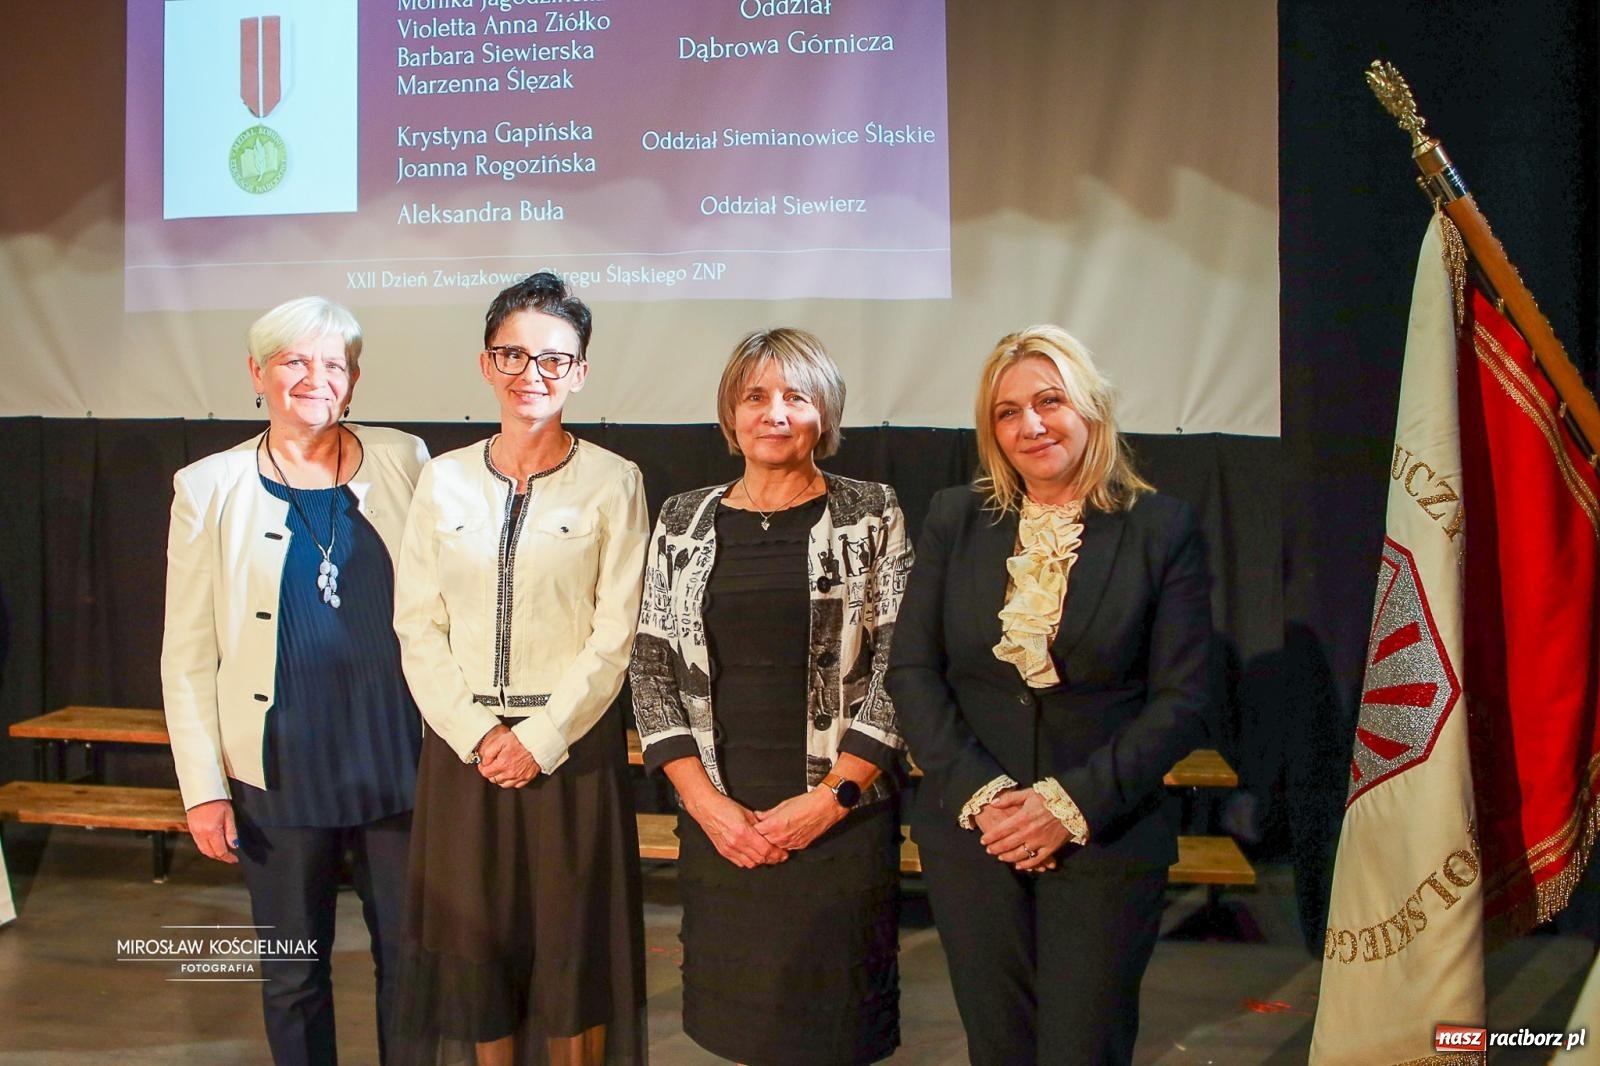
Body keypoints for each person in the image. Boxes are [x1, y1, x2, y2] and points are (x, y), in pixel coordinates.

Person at [886, 325, 1213, 1065]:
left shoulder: (1161, 528)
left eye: (1049, 401)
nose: (1029, 425)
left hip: (1104, 833)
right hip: (975, 833)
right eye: (1007, 412)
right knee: (998, 1045)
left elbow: (1184, 697)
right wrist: (986, 794)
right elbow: (911, 670)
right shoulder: (954, 517)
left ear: (1090, 409)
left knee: (1083, 1049)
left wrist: (1066, 806)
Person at [630, 328, 913, 1066]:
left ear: (826, 413)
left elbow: (899, 665)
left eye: (796, 396)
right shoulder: (681, 519)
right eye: (755, 396)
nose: (775, 412)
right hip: (723, 819)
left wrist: (833, 799)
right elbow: (651, 670)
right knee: (741, 1030)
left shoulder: (871, 511)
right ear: (731, 414)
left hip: (839, 819)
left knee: (834, 1030)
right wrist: (705, 806)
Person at [160, 296, 431, 1065]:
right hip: (277, 771)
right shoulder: (206, 487)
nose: (315, 378)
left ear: (353, 380)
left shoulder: (405, 460)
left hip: (398, 761)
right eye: (293, 361)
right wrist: (203, 787)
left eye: (333, 364)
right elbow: (184, 655)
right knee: (292, 974)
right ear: (257, 373)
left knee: (413, 967)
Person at [391, 272, 648, 1066]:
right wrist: (477, 734)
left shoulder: (615, 480)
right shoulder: (443, 477)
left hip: (570, 754)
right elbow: (416, 623)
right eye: (512, 355)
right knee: (473, 955)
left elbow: (617, 634)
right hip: (463, 750)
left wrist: (539, 736)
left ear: (579, 372)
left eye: (551, 359)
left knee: (575, 952)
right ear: (485, 364)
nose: (530, 374)